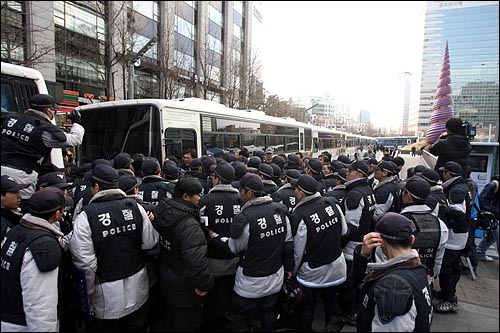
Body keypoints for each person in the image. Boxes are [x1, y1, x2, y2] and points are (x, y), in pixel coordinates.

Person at [69, 164, 159, 331]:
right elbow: (150, 242)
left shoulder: (86, 216)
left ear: (96, 187)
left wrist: (87, 297)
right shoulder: (135, 208)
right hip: (138, 288)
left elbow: (85, 264)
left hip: (105, 297)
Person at [224, 173, 293, 331]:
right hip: (275, 276)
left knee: (237, 314)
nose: (239, 193)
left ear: (249, 193)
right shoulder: (280, 211)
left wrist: (216, 237)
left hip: (250, 281)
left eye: (241, 190)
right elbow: (288, 244)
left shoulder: (245, 218)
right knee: (268, 314)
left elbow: (234, 248)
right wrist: (289, 267)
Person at [352, 213, 433, 332]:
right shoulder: (417, 267)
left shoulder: (394, 286)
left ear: (380, 242)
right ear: (412, 240)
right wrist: (363, 256)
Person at [153, 177, 213, 332]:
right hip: (185, 286)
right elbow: (196, 261)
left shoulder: (163, 209)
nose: (199, 198)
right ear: (186, 196)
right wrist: (204, 284)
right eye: (197, 195)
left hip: (167, 275)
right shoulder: (189, 224)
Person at [1, 187, 66, 332]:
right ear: (57, 213)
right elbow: (41, 303)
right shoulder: (43, 245)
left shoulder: (16, 231)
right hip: (24, 324)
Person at [1, 94, 85, 202]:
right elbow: (74, 139)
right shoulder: (43, 130)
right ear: (48, 111)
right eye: (54, 110)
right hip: (22, 176)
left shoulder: (9, 120)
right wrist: (76, 123)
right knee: (21, 205)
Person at [291, 174, 348, 330]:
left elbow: (298, 253)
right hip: (337, 265)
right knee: (331, 304)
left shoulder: (300, 215)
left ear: (301, 193)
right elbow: (344, 231)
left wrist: (293, 273)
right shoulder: (332, 203)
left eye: (295, 189)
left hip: (312, 272)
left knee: (307, 307)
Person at [198, 162, 242, 331]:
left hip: (212, 261)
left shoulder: (205, 200)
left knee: (212, 299)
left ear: (216, 180)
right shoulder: (241, 200)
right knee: (233, 296)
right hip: (236, 259)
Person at [338, 160, 376, 325]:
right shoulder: (367, 189)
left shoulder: (354, 194)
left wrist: (339, 244)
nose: (347, 173)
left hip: (352, 246)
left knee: (349, 283)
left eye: (350, 171)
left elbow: (351, 226)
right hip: (363, 242)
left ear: (360, 174)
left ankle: (349, 313)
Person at [434, 161, 471, 313]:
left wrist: (442, 208)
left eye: (444, 172)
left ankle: (449, 300)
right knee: (453, 266)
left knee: (446, 268)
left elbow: (458, 213)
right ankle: (447, 293)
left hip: (454, 236)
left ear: (448, 174)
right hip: (460, 234)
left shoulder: (456, 190)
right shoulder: (462, 186)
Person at [476, 176, 499, 261]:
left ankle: (480, 253)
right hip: (495, 216)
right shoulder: (494, 185)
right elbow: (482, 199)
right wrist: (495, 210)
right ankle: (480, 252)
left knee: (491, 237)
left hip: (495, 215)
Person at [1, 175, 29, 240]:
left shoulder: (13, 216)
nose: (19, 196)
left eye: (18, 192)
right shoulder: (2, 224)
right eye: (14, 192)